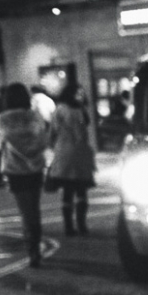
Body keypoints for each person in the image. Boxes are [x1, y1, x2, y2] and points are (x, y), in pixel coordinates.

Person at [0, 83, 51, 267]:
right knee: (34, 210)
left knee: (25, 212)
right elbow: (44, 140)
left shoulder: (3, 119)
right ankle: (36, 245)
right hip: (35, 168)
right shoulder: (34, 117)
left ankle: (32, 251)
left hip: (15, 169)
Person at [48, 83, 96, 236]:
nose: (81, 96)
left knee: (67, 191)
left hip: (64, 152)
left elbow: (52, 132)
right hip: (81, 152)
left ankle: (68, 226)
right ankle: (82, 225)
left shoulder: (59, 109)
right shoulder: (81, 110)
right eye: (79, 93)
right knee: (81, 190)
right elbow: (84, 127)